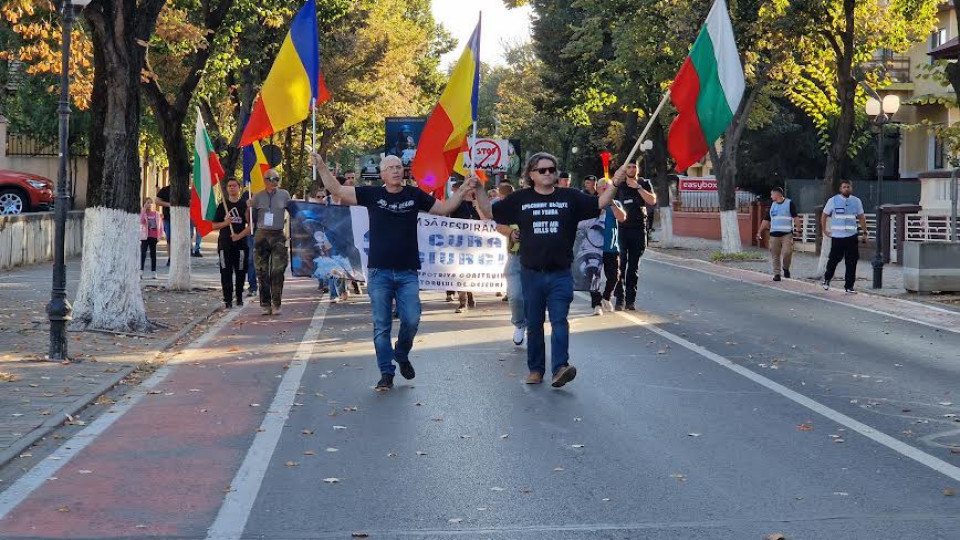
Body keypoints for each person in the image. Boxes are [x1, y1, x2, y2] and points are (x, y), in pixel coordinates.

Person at [311, 153, 476, 392]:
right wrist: (322, 165)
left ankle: (401, 352)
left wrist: (463, 190)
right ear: (382, 174)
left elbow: (445, 208)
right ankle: (386, 373)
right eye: (391, 167)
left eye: (399, 167)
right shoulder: (372, 194)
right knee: (381, 325)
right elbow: (336, 190)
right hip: (380, 272)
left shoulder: (414, 195)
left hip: (408, 271)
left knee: (411, 319)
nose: (397, 171)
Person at [477, 152, 620, 388]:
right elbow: (491, 213)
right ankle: (535, 370)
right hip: (531, 273)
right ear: (531, 174)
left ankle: (560, 368)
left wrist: (615, 183)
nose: (548, 174)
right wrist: (479, 189)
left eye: (551, 170)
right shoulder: (520, 199)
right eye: (542, 170)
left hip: (561, 273)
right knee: (534, 324)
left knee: (560, 320)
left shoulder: (570, 197)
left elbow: (599, 203)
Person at [613, 160, 656, 311]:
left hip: (638, 230)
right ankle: (620, 299)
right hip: (622, 230)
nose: (631, 169)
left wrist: (638, 187)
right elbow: (609, 199)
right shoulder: (619, 185)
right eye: (629, 167)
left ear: (638, 168)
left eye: (634, 167)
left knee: (633, 267)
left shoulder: (643, 183)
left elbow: (652, 200)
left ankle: (631, 300)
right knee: (620, 265)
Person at [250, 169, 292, 315]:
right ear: (265, 180)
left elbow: (294, 211)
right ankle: (265, 303)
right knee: (262, 271)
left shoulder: (284, 195)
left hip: (278, 235)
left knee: (277, 270)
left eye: (277, 179)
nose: (274, 182)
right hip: (262, 235)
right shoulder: (257, 196)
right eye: (271, 179)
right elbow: (249, 217)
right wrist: (248, 206)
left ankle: (276, 303)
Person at [821, 180, 867, 294]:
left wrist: (864, 232)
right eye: (844, 187)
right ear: (840, 189)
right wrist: (824, 229)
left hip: (851, 236)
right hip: (838, 237)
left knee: (852, 261)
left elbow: (861, 217)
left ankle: (849, 286)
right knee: (834, 260)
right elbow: (824, 215)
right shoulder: (833, 201)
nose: (846, 189)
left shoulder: (856, 201)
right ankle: (827, 278)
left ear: (851, 188)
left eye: (848, 187)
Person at [493, 183, 525, 345]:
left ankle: (533, 327)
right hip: (515, 258)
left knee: (535, 298)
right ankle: (519, 324)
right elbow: (498, 224)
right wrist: (511, 232)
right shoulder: (509, 207)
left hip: (539, 259)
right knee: (516, 295)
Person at [212, 178, 252, 308]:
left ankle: (239, 297)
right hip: (225, 244)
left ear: (239, 187)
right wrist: (225, 223)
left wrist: (239, 236)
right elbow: (213, 225)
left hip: (240, 245)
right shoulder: (222, 206)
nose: (231, 188)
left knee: (240, 271)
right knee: (225, 271)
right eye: (229, 186)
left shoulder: (244, 205)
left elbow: (251, 225)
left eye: (234, 186)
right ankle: (227, 299)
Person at [450, 179, 485, 313]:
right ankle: (462, 302)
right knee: (459, 272)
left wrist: (477, 207)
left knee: (470, 273)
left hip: (476, 245)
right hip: (460, 244)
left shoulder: (481, 204)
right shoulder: (457, 205)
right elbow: (450, 223)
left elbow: (487, 220)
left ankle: (470, 294)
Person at [591, 179, 626, 314]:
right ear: (597, 189)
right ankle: (596, 305)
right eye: (603, 188)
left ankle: (606, 297)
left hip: (611, 247)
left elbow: (622, 217)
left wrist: (611, 203)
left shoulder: (615, 203)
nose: (605, 191)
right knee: (594, 278)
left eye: (608, 188)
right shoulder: (592, 203)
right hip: (595, 247)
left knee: (614, 276)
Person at [757, 187, 799, 281]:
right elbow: (766, 220)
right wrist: (760, 231)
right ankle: (777, 274)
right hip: (774, 234)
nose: (771, 196)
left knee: (787, 252)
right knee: (775, 254)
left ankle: (786, 267)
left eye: (772, 194)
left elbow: (795, 217)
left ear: (778, 194)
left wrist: (799, 230)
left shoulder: (789, 203)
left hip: (787, 234)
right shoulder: (772, 205)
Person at [139, 197, 164, 279]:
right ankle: (140, 271)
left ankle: (154, 271)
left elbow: (160, 227)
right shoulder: (143, 213)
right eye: (147, 203)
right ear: (144, 204)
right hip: (145, 237)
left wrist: (159, 236)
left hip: (153, 237)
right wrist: (143, 210)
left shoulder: (156, 214)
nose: (149, 205)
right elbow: (142, 221)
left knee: (153, 254)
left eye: (150, 203)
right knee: (143, 253)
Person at [155, 184, 173, 266]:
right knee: (169, 239)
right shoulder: (165, 190)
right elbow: (157, 201)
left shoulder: (184, 189)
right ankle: (170, 258)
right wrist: (169, 204)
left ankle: (178, 257)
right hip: (168, 218)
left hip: (181, 218)